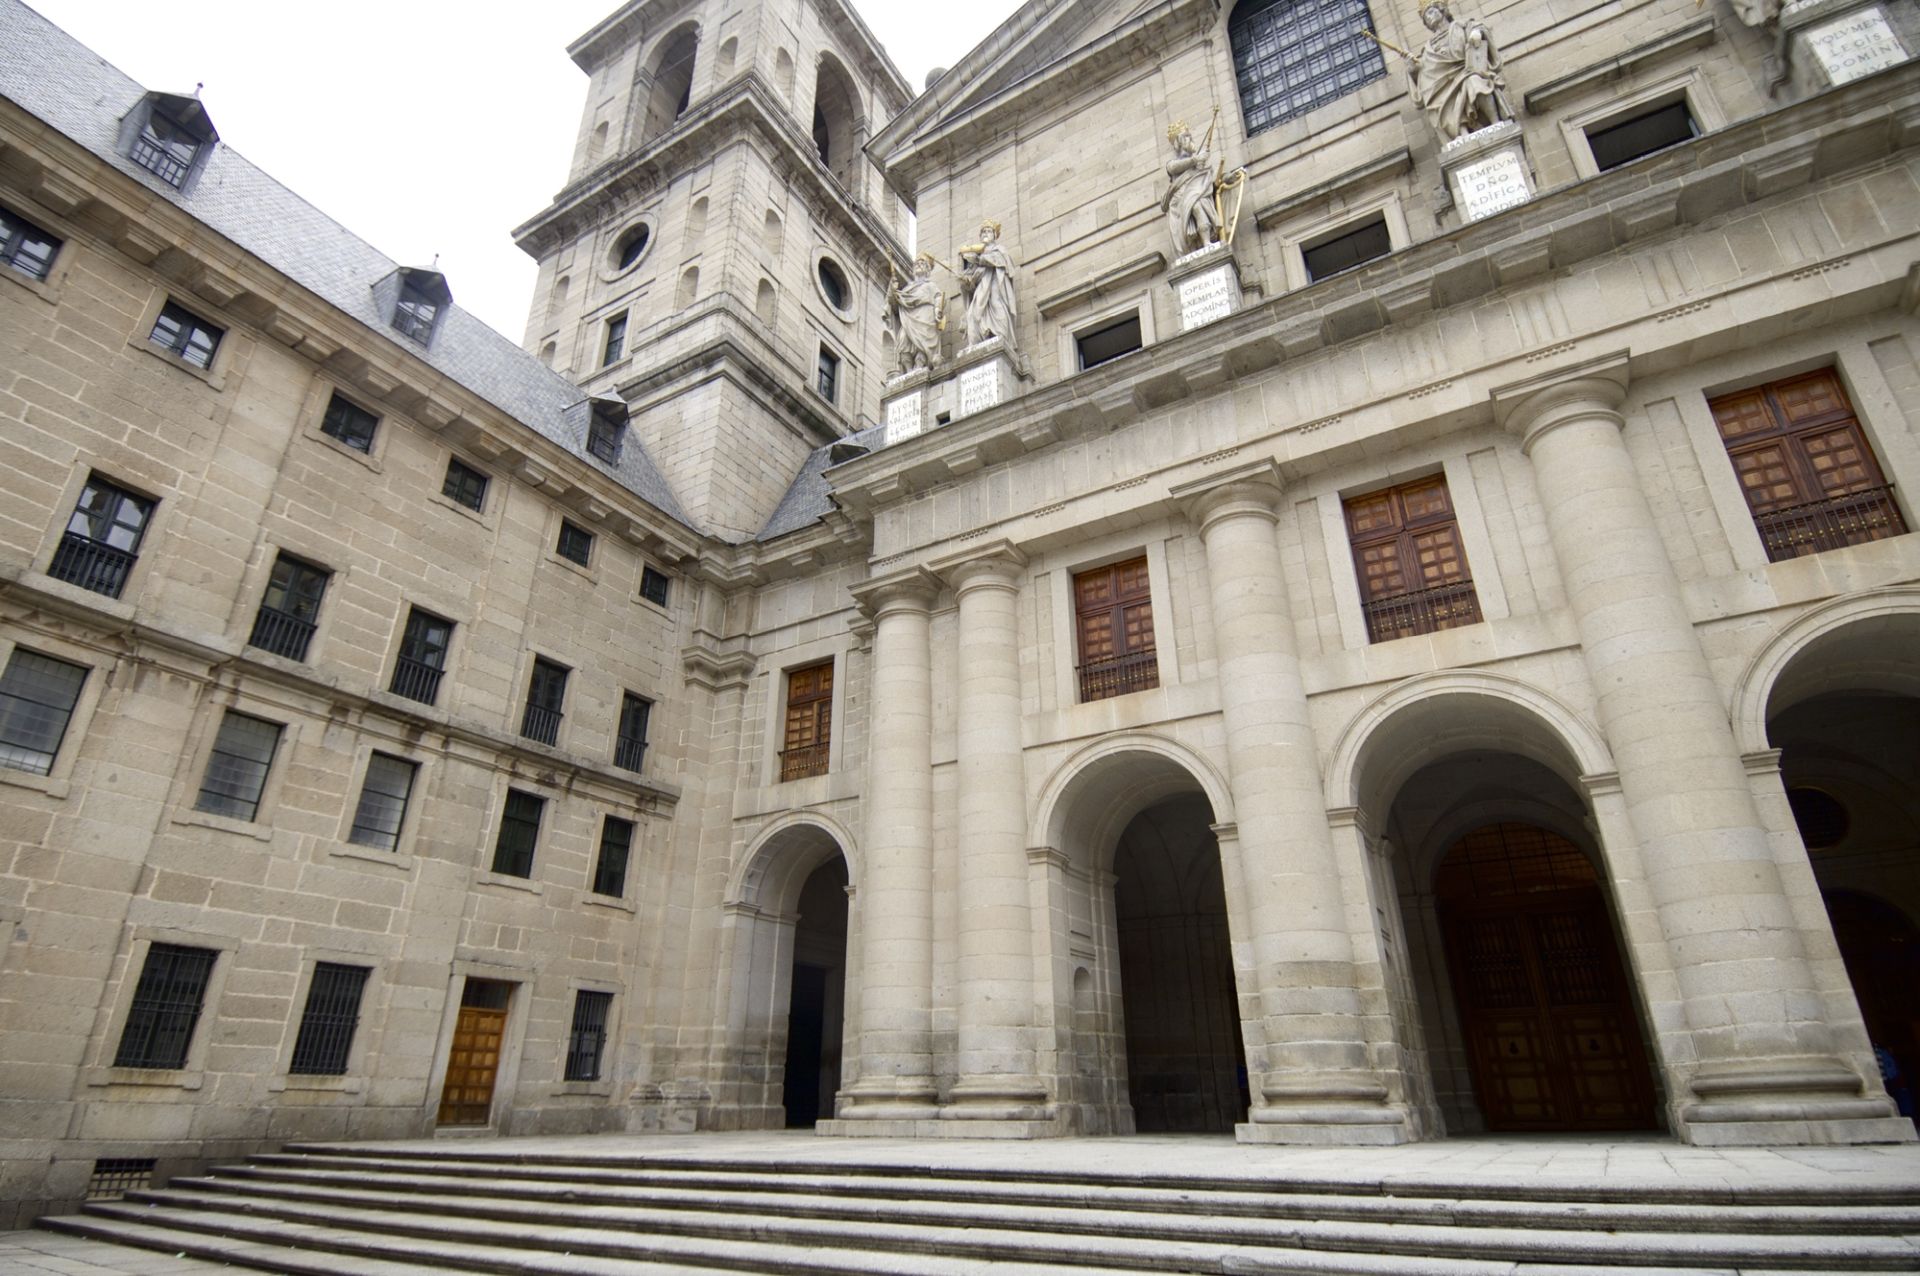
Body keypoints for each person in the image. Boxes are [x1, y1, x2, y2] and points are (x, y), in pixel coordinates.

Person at [1407, 3, 1513, 144]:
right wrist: (1413, 71)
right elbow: (1427, 74)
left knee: (1475, 83)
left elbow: (1478, 28)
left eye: (1431, 12)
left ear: (1442, 11)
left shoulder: (1461, 26)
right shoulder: (1427, 49)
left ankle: (1495, 122)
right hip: (1443, 84)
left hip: (1468, 71)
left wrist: (1477, 33)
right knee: (1439, 100)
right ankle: (1461, 133)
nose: (1429, 17)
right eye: (1426, 17)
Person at [958, 220, 1027, 375]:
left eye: (988, 231)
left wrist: (978, 259)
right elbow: (970, 279)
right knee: (973, 314)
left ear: (995, 235)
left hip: (996, 284)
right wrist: (966, 280)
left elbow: (1000, 261)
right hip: (981, 289)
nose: (985, 234)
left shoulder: (998, 249)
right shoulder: (976, 256)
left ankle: (1001, 336)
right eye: (983, 232)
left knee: (997, 306)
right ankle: (976, 342)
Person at [1163, 121, 1219, 257]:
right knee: (1196, 206)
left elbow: (1205, 180)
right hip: (1181, 198)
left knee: (1198, 205)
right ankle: (1203, 243)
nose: (1191, 139)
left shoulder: (1195, 164)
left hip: (1196, 193)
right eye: (1187, 137)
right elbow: (1172, 168)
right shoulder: (1174, 163)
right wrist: (1195, 160)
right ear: (1180, 141)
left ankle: (1206, 242)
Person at [887, 254, 942, 376]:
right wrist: (892, 290)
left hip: (925, 316)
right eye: (917, 263)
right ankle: (908, 370)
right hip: (908, 318)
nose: (919, 265)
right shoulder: (907, 289)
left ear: (928, 269)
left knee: (922, 343)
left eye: (922, 263)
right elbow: (895, 306)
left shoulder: (931, 286)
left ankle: (919, 366)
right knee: (903, 341)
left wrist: (938, 309)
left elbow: (938, 297)